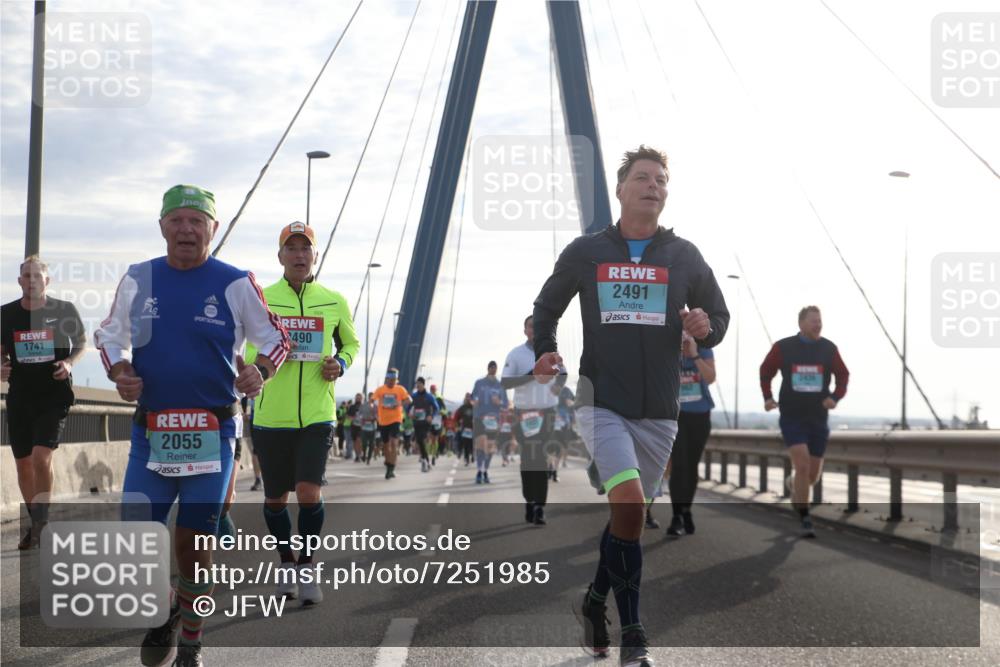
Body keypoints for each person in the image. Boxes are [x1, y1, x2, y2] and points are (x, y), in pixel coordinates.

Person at [532, 146, 729, 665]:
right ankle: (634, 633)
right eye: (642, 178)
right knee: (628, 506)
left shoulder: (683, 255)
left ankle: (595, 603)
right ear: (620, 190)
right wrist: (544, 350)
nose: (653, 186)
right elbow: (546, 307)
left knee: (630, 519)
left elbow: (719, 319)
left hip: (661, 409)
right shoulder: (587, 251)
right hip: (602, 401)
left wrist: (705, 327)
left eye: (661, 180)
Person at [95, 185, 290, 667]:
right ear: (162, 226)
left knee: (193, 542)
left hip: (213, 433)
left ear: (213, 229)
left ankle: (192, 643)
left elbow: (276, 339)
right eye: (177, 220)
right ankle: (165, 611)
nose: (186, 229)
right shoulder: (140, 278)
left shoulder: (235, 282)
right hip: (152, 432)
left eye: (196, 221)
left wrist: (259, 371)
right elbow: (110, 336)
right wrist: (120, 372)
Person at [246, 221, 359, 605]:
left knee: (309, 493)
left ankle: (308, 566)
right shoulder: (261, 298)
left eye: (304, 248)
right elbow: (244, 348)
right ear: (279, 256)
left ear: (315, 256)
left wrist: (339, 365)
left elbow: (351, 343)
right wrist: (258, 366)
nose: (298, 255)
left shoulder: (333, 300)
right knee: (276, 499)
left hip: (317, 412)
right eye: (290, 249)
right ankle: (287, 563)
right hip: (270, 413)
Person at [1, 255, 87, 549]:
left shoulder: (63, 310)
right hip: (20, 396)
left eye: (37, 276)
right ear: (20, 281)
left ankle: (42, 520)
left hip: (54, 394)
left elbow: (81, 343)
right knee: (23, 464)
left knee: (41, 457)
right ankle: (36, 521)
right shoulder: (6, 314)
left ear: (46, 281)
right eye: (27, 275)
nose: (32, 280)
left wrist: (71, 364)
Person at [759, 305, 849, 538]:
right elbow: (766, 371)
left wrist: (835, 397)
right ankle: (805, 517)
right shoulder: (783, 347)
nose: (818, 324)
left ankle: (792, 484)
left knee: (811, 475)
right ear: (801, 323)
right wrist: (768, 397)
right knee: (802, 465)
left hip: (818, 418)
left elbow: (843, 375)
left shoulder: (829, 349)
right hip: (792, 416)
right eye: (813, 321)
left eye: (820, 321)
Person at [656, 332, 716, 535]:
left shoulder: (702, 346)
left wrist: (694, 354)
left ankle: (686, 509)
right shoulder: (665, 346)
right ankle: (677, 516)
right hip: (675, 416)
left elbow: (710, 378)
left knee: (691, 467)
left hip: (700, 415)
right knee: (679, 465)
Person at [502, 315, 559, 526]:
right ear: (525, 330)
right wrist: (531, 374)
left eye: (539, 326)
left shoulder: (552, 355)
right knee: (528, 459)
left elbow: (563, 377)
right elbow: (506, 383)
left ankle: (540, 507)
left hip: (547, 412)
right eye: (531, 327)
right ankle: (530, 500)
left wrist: (556, 390)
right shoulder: (515, 355)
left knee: (541, 458)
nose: (535, 330)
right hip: (524, 413)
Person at [470, 360, 508, 484]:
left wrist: (499, 403)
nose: (493, 371)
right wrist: (474, 402)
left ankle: (485, 470)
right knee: (481, 445)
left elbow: (506, 404)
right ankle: (479, 471)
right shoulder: (479, 383)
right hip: (480, 418)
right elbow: (472, 397)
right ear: (488, 369)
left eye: (495, 369)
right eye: (491, 368)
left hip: (493, 420)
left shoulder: (500, 386)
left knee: (490, 448)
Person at [373, 368, 411, 479]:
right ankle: (388, 462)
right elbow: (373, 400)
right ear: (386, 379)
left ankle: (391, 468)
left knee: (394, 443)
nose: (392, 382)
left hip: (396, 419)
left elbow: (409, 400)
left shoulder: (400, 389)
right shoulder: (380, 390)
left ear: (396, 380)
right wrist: (374, 404)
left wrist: (400, 402)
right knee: (385, 445)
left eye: (394, 380)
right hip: (383, 421)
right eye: (390, 379)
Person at [409, 377, 440, 472]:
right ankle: (426, 460)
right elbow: (408, 406)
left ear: (423, 384)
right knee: (419, 440)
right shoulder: (413, 396)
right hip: (417, 421)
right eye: (416, 384)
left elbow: (436, 408)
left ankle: (424, 461)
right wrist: (409, 413)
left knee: (422, 439)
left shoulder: (429, 396)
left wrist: (431, 416)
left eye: (419, 384)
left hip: (426, 422)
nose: (417, 385)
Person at [454, 393, 475, 466]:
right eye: (467, 398)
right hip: (465, 429)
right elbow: (456, 417)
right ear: (465, 399)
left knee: (472, 443)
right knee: (466, 444)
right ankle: (466, 459)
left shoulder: (475, 407)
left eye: (470, 398)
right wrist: (457, 425)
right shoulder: (462, 408)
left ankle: (473, 454)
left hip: (473, 428)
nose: (468, 399)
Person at [359, 392, 377, 463]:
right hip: (364, 427)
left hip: (373, 427)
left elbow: (378, 415)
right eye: (370, 397)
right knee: (364, 443)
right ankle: (364, 455)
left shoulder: (376, 406)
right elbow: (359, 414)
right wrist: (362, 419)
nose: (372, 398)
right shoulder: (363, 405)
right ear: (368, 397)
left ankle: (369, 458)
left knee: (372, 444)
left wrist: (374, 418)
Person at [346, 393, 363, 461]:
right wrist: (351, 418)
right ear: (355, 398)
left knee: (359, 440)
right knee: (355, 441)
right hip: (354, 426)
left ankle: (360, 453)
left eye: (359, 397)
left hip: (362, 427)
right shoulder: (352, 406)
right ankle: (357, 455)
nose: (358, 399)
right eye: (357, 397)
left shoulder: (364, 406)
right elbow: (347, 415)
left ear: (362, 398)